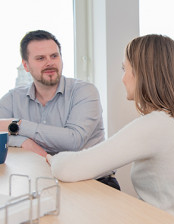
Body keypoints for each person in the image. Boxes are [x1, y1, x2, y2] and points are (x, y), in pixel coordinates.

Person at [47, 34, 174, 223]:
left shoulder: (155, 125)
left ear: (143, 73)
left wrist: (51, 159)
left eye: (124, 69)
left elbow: (69, 169)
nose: (122, 79)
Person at [0, 30, 120, 190]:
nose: (49, 62)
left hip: (93, 183)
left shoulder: (85, 91)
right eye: (40, 58)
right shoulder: (13, 98)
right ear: (25, 65)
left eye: (54, 56)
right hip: (40, 183)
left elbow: (73, 141)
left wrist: (18, 126)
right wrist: (24, 142)